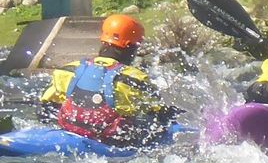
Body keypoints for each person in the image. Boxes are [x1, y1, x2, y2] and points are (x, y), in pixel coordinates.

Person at [40, 13, 176, 146]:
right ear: (131, 48)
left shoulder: (67, 70)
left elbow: (45, 107)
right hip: (113, 143)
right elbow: (158, 112)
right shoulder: (134, 79)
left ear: (103, 40)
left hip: (70, 134)